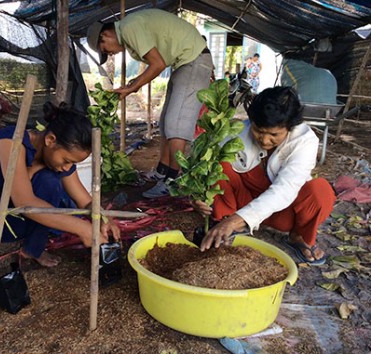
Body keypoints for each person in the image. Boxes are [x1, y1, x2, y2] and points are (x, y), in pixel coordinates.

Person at [0, 102, 120, 288]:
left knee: (50, 182)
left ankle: (32, 249)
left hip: (12, 222)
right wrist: (83, 229)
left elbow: (85, 200)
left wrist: (103, 218)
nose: (67, 168)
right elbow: (24, 202)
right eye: (67, 161)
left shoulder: (54, 157)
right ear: (50, 140)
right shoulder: (10, 143)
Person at [192, 86, 336, 265]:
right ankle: (223, 220)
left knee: (321, 191)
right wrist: (199, 197)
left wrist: (239, 219)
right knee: (219, 162)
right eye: (259, 131)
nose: (265, 140)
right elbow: (204, 168)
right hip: (242, 202)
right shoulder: (237, 132)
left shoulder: (306, 141)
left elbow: (285, 189)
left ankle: (298, 237)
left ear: (290, 127)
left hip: (283, 213)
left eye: (274, 134)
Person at [87, 9, 214, 199]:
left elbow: (158, 64)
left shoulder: (128, 27)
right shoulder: (129, 32)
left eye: (105, 49)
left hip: (194, 61)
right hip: (185, 63)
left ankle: (173, 180)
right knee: (166, 122)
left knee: (176, 123)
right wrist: (133, 83)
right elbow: (158, 61)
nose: (110, 54)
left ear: (105, 35)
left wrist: (133, 87)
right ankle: (162, 171)